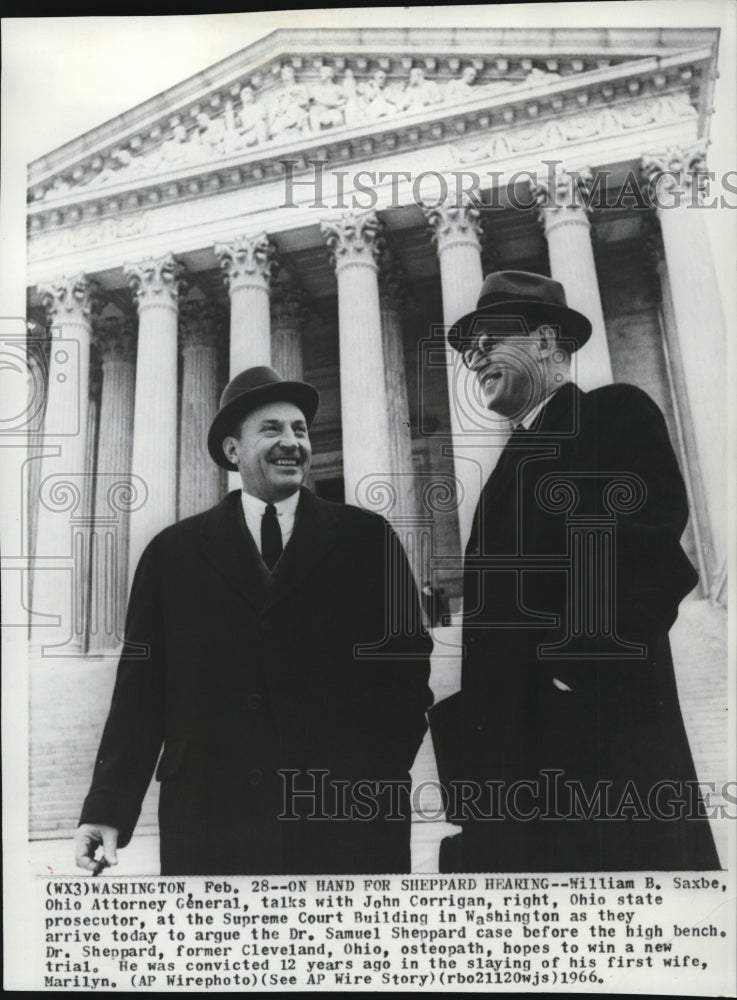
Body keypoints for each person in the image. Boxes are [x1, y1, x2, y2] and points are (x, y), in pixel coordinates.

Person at [76, 366, 432, 876]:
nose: (293, 442)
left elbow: (407, 672)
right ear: (231, 450)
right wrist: (108, 809)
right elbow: (140, 694)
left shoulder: (369, 540)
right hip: (212, 824)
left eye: (300, 430)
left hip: (346, 822)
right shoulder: (170, 554)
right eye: (272, 429)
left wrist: (374, 773)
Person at [430, 270, 720, 872]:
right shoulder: (503, 473)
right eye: (468, 345)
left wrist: (574, 672)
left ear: (545, 343)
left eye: (491, 336)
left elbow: (649, 552)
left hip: (602, 750)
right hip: (519, 774)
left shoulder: (611, 415)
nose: (474, 353)